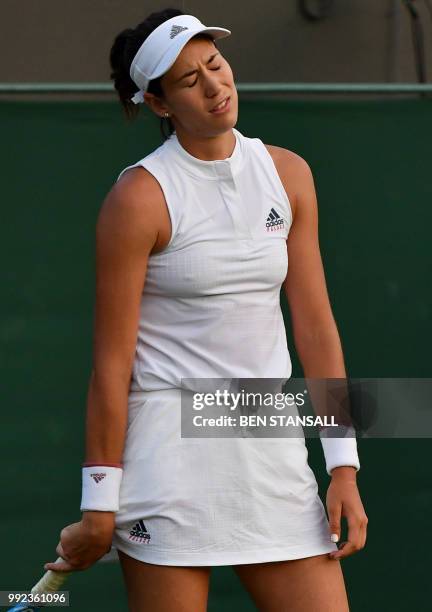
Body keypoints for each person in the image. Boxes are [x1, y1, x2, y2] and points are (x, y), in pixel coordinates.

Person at [45, 9, 368, 611]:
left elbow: (317, 329)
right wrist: (99, 504)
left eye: (215, 65)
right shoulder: (137, 200)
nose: (215, 86)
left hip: (269, 455)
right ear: (160, 105)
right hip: (169, 466)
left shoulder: (288, 175)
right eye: (190, 81)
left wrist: (343, 466)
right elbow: (111, 367)